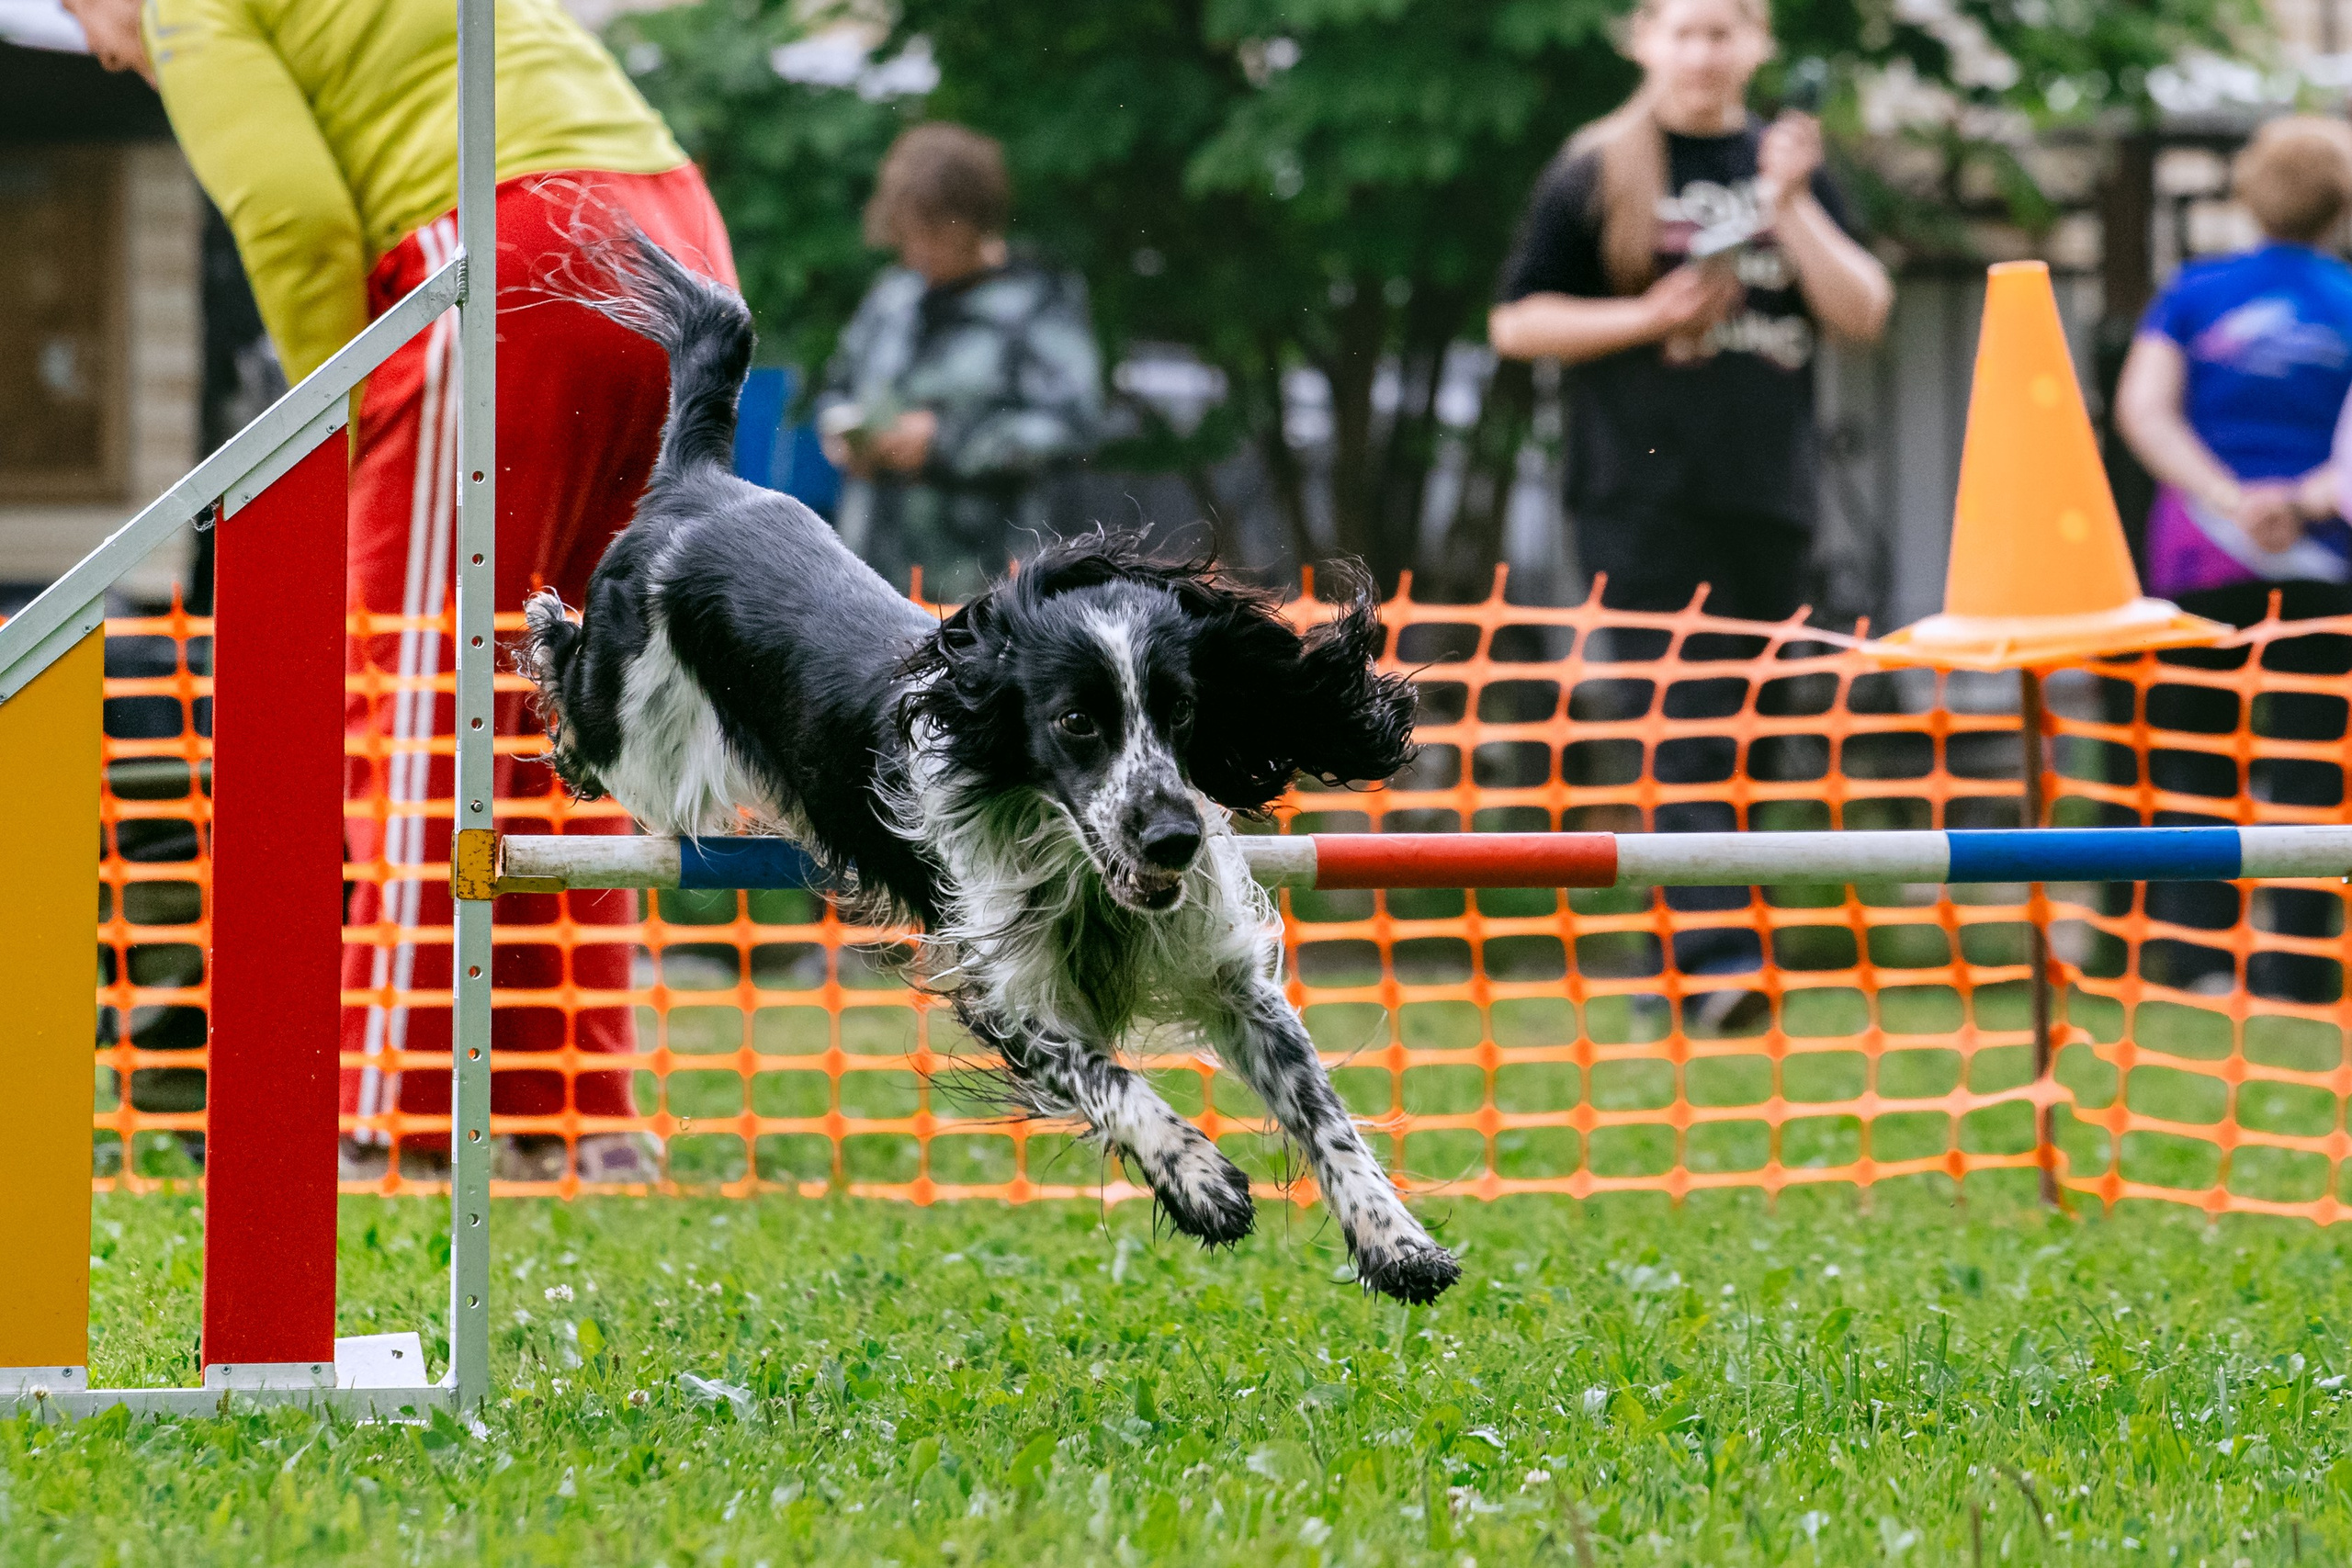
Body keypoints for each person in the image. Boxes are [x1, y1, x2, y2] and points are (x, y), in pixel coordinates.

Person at [65, 0, 741, 1182]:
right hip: (678, 246)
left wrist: (324, 427)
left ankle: (400, 1119)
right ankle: (565, 1113)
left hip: (506, 254)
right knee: (567, 700)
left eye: (82, 21)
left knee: (417, 696)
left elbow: (292, 214)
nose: (107, 55)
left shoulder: (186, 5)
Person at [1486, 0, 1892, 1029]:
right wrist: (1645, 317)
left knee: (1753, 737)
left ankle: (1667, 970)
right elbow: (1517, 320)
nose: (1705, 52)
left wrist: (1790, 204)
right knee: (1687, 729)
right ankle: (1718, 963)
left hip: (1768, 496)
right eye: (1685, 30)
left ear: (1757, 45)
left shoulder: (1786, 165)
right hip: (1638, 497)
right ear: (1642, 40)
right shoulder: (1598, 165)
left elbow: (1863, 312)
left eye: (1726, 31)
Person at [2113, 115, 2352, 1003]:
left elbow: (2144, 410)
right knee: (2309, 765)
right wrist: (2302, 498)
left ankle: (2199, 961)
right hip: (2323, 562)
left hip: (2197, 565)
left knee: (2191, 760)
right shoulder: (2348, 299)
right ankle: (2295, 968)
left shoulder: (2193, 291)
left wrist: (2224, 497)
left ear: (2246, 193)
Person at [814, 122, 1104, 603]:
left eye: (930, 235)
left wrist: (945, 442)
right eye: (906, 235)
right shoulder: (893, 297)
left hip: (983, 590)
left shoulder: (1038, 300)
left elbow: (1076, 424)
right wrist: (845, 438)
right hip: (869, 581)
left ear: (971, 223)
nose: (915, 252)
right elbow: (837, 387)